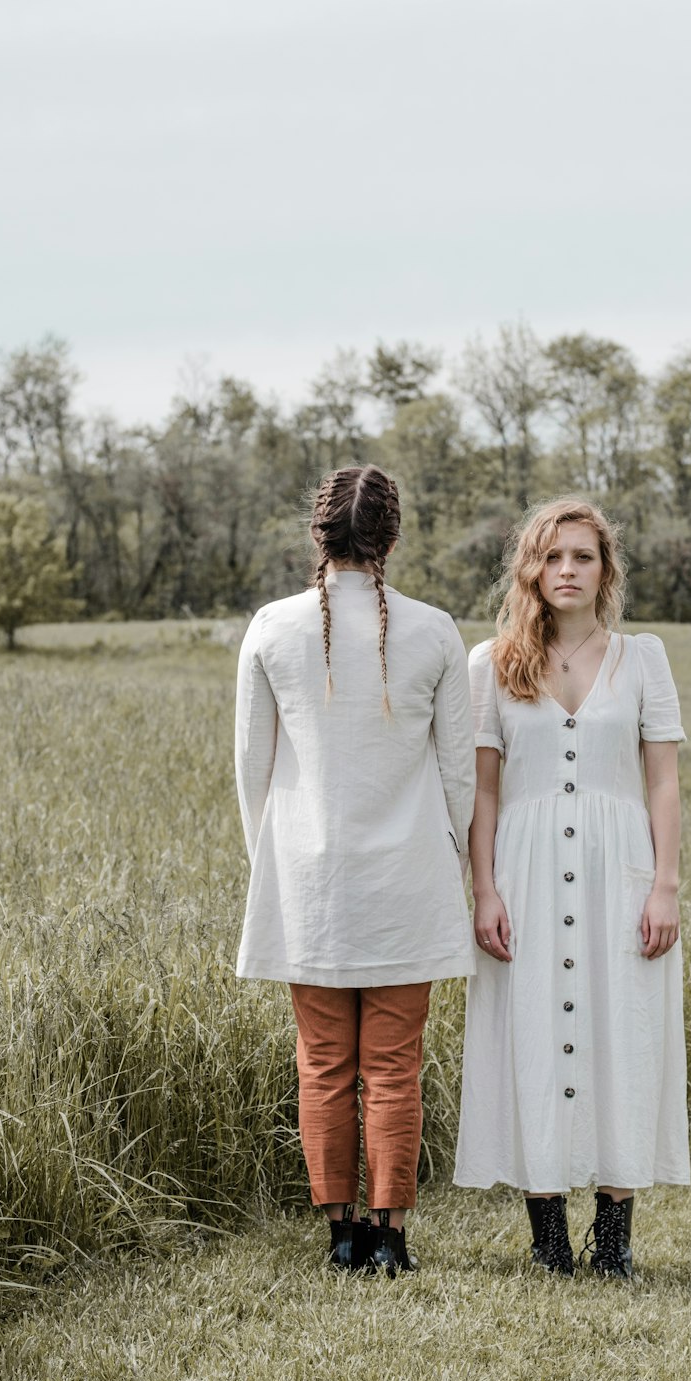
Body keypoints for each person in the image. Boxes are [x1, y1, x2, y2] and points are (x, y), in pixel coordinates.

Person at [235, 464, 476, 1276]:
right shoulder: (438, 631)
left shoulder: (271, 627)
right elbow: (456, 777)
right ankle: (392, 1235)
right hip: (408, 879)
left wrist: (273, 868)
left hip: (308, 880)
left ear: (318, 535)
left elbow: (252, 771)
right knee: (393, 1068)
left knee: (324, 1063)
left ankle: (340, 1234)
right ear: (393, 539)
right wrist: (450, 858)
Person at [453, 497, 689, 1278]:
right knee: (531, 1031)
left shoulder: (643, 657)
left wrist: (665, 885)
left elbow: (664, 783)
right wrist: (483, 889)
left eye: (582, 556)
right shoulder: (491, 663)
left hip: (618, 867)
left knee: (625, 1028)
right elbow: (482, 791)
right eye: (552, 557)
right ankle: (547, 1231)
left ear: (604, 569)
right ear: (531, 568)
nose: (567, 571)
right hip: (522, 868)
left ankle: (614, 1235)